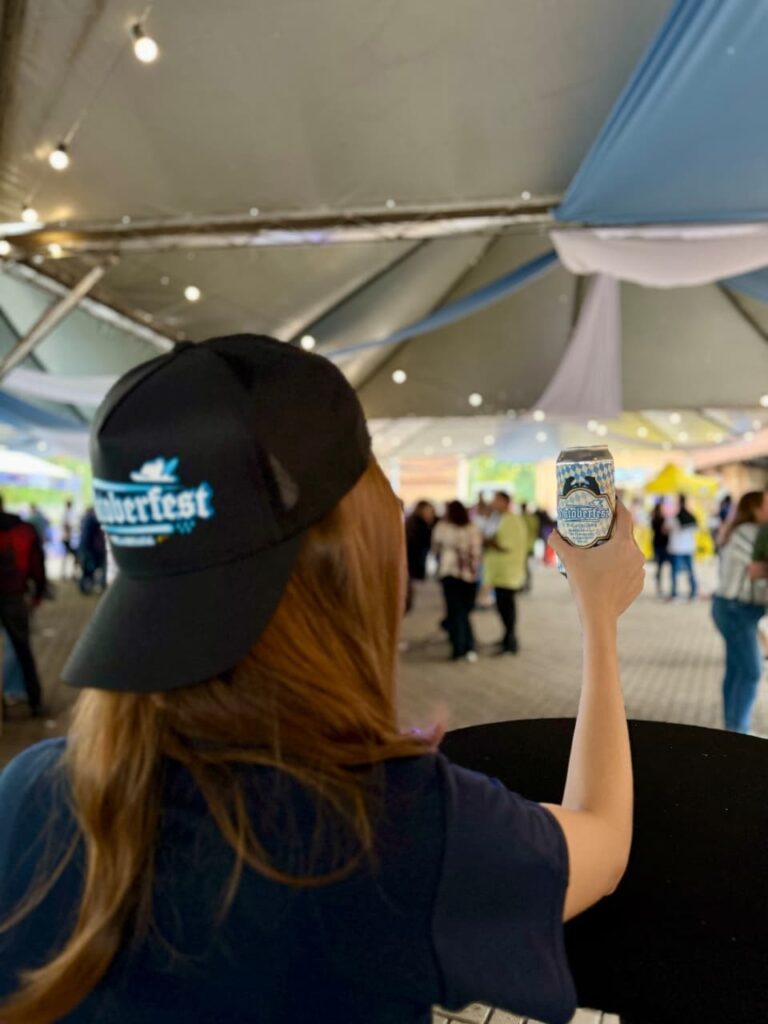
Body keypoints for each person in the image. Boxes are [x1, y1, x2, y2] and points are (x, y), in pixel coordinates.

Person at [0, 335, 643, 1024]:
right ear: (354, 548)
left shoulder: (29, 793)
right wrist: (598, 618)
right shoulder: (390, 824)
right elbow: (602, 845)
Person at [711, 491, 768, 733]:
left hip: (736, 609)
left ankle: (732, 727)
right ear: (755, 508)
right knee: (752, 670)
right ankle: (738, 730)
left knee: (736, 667)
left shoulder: (737, 530)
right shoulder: (749, 533)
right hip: (736, 609)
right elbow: (755, 571)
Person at [0, 495, 46, 716]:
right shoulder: (23, 530)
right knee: (22, 650)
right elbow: (37, 564)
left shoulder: (23, 530)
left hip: (14, 596)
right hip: (14, 597)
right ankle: (35, 702)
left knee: (22, 650)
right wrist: (38, 592)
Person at [431, 501, 482, 662]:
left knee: (455, 612)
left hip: (450, 575)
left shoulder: (443, 528)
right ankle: (468, 646)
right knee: (464, 612)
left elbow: (435, 549)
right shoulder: (473, 528)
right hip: (470, 577)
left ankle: (459, 647)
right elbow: (478, 552)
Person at [483, 491, 528, 654]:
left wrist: (486, 541)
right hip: (499, 573)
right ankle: (507, 638)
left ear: (504, 501)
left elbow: (504, 545)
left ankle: (510, 642)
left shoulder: (511, 520)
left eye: (496, 500)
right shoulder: (498, 518)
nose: (492, 503)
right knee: (502, 608)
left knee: (507, 609)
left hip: (508, 573)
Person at [667, 494, 698, 601]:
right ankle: (694, 592)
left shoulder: (674, 518)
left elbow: (665, 529)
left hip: (676, 548)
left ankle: (675, 593)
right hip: (688, 548)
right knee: (690, 571)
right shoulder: (692, 517)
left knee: (675, 573)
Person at [77, 507, 107, 595]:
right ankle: (88, 587)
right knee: (89, 570)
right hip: (91, 550)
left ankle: (85, 588)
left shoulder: (85, 519)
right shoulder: (91, 520)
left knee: (87, 570)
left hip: (86, 549)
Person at [650, 499, 672, 598]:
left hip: (657, 544)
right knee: (662, 566)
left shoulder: (654, 519)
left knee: (659, 567)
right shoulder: (662, 520)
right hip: (663, 545)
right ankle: (661, 587)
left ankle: (658, 587)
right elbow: (665, 532)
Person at [520, 501, 539, 592]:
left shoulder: (520, 518)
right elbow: (536, 531)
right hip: (530, 546)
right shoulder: (533, 518)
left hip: (522, 547)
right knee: (528, 568)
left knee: (523, 567)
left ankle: (523, 584)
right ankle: (527, 585)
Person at [61, 498, 76, 579]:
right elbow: (66, 525)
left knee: (67, 556)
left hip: (67, 538)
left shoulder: (66, 513)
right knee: (70, 556)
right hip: (67, 538)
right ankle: (67, 573)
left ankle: (66, 573)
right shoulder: (67, 514)